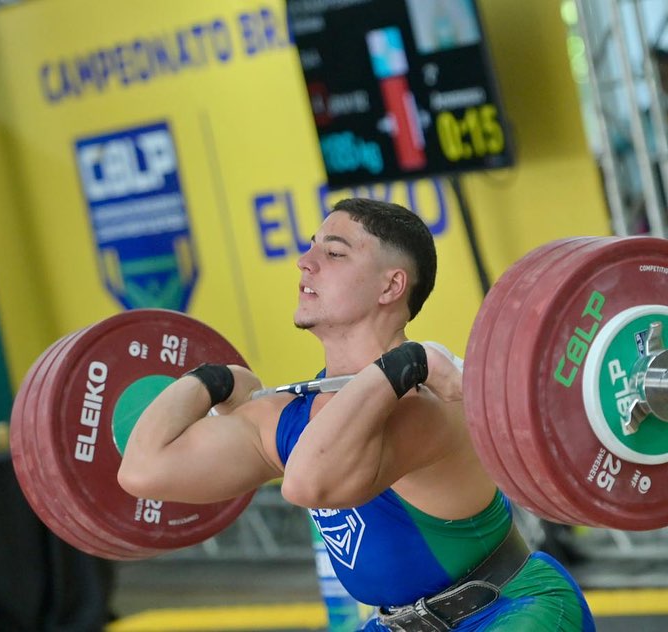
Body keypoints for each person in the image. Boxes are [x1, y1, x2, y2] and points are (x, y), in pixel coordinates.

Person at [118, 197, 595, 631]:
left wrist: (408, 363)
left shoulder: (427, 408)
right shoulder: (290, 414)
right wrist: (211, 379)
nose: (305, 263)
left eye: (334, 253)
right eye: (310, 249)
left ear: (391, 286)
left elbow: (309, 482)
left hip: (513, 613)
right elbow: (144, 468)